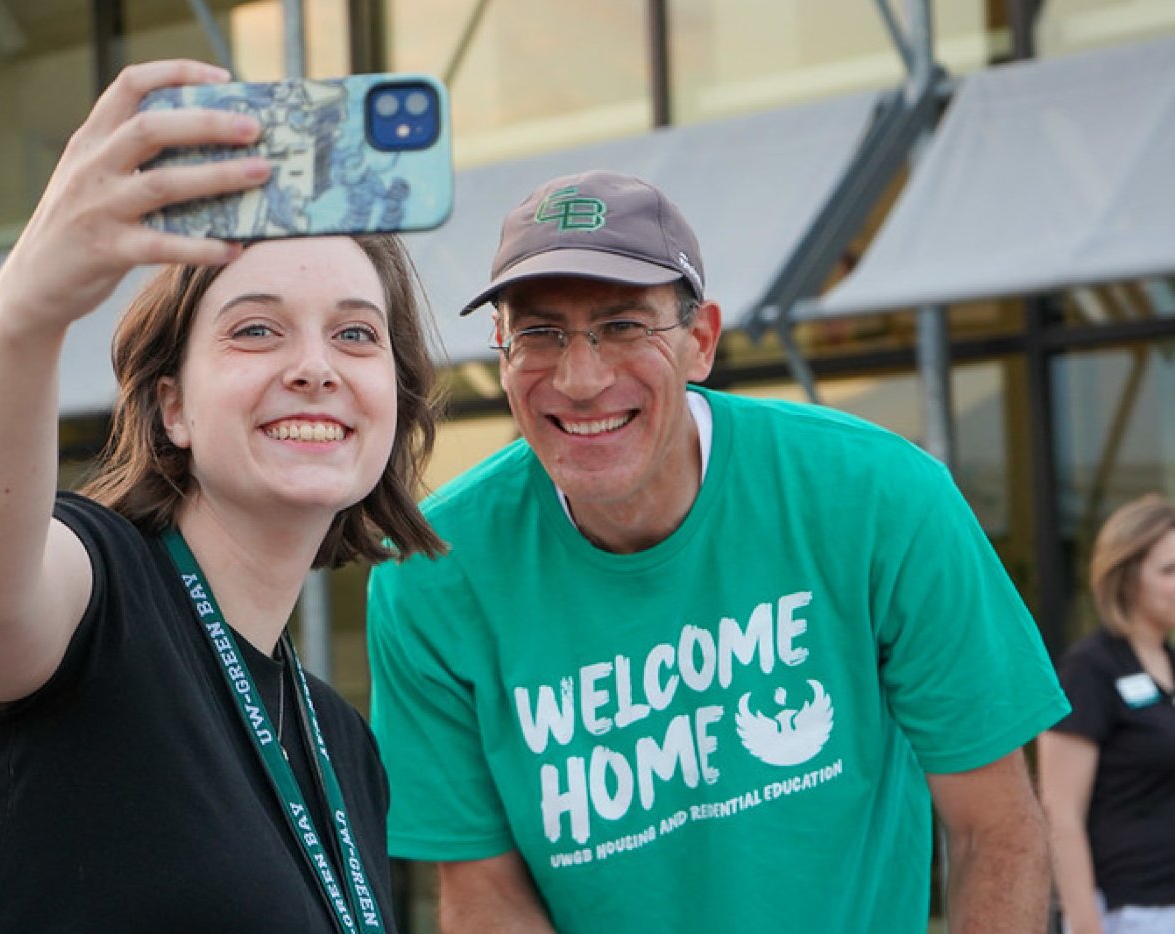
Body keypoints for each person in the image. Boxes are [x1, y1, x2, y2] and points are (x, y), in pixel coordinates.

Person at [0, 60, 444, 933]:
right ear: (174, 404)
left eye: (355, 333)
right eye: (257, 330)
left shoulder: (344, 744)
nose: (315, 367)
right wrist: (28, 308)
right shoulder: (97, 588)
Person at [365, 169, 1071, 933]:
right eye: (540, 333)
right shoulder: (433, 571)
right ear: (502, 355)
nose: (580, 377)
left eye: (624, 326)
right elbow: (483, 894)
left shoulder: (877, 497)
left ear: (700, 342)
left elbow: (993, 833)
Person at [1038, 494, 1175, 934]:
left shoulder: (1167, 661)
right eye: (1169, 570)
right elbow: (1060, 810)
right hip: (1130, 912)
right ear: (1127, 576)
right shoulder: (1090, 669)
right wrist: (1085, 923)